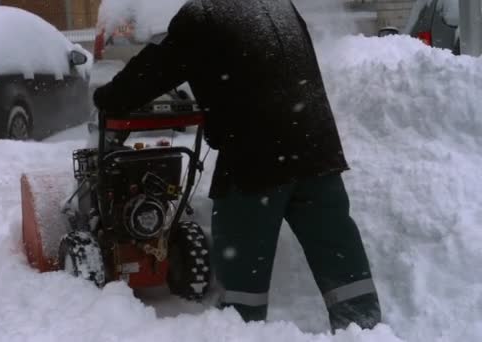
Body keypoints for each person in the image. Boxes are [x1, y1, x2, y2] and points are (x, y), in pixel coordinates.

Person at [93, 0, 381, 331]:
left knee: (243, 273)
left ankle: (242, 331)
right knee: (338, 253)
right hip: (318, 151)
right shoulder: (279, 5)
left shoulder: (203, 14)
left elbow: (154, 69)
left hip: (257, 161)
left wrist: (108, 99)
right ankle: (366, 330)